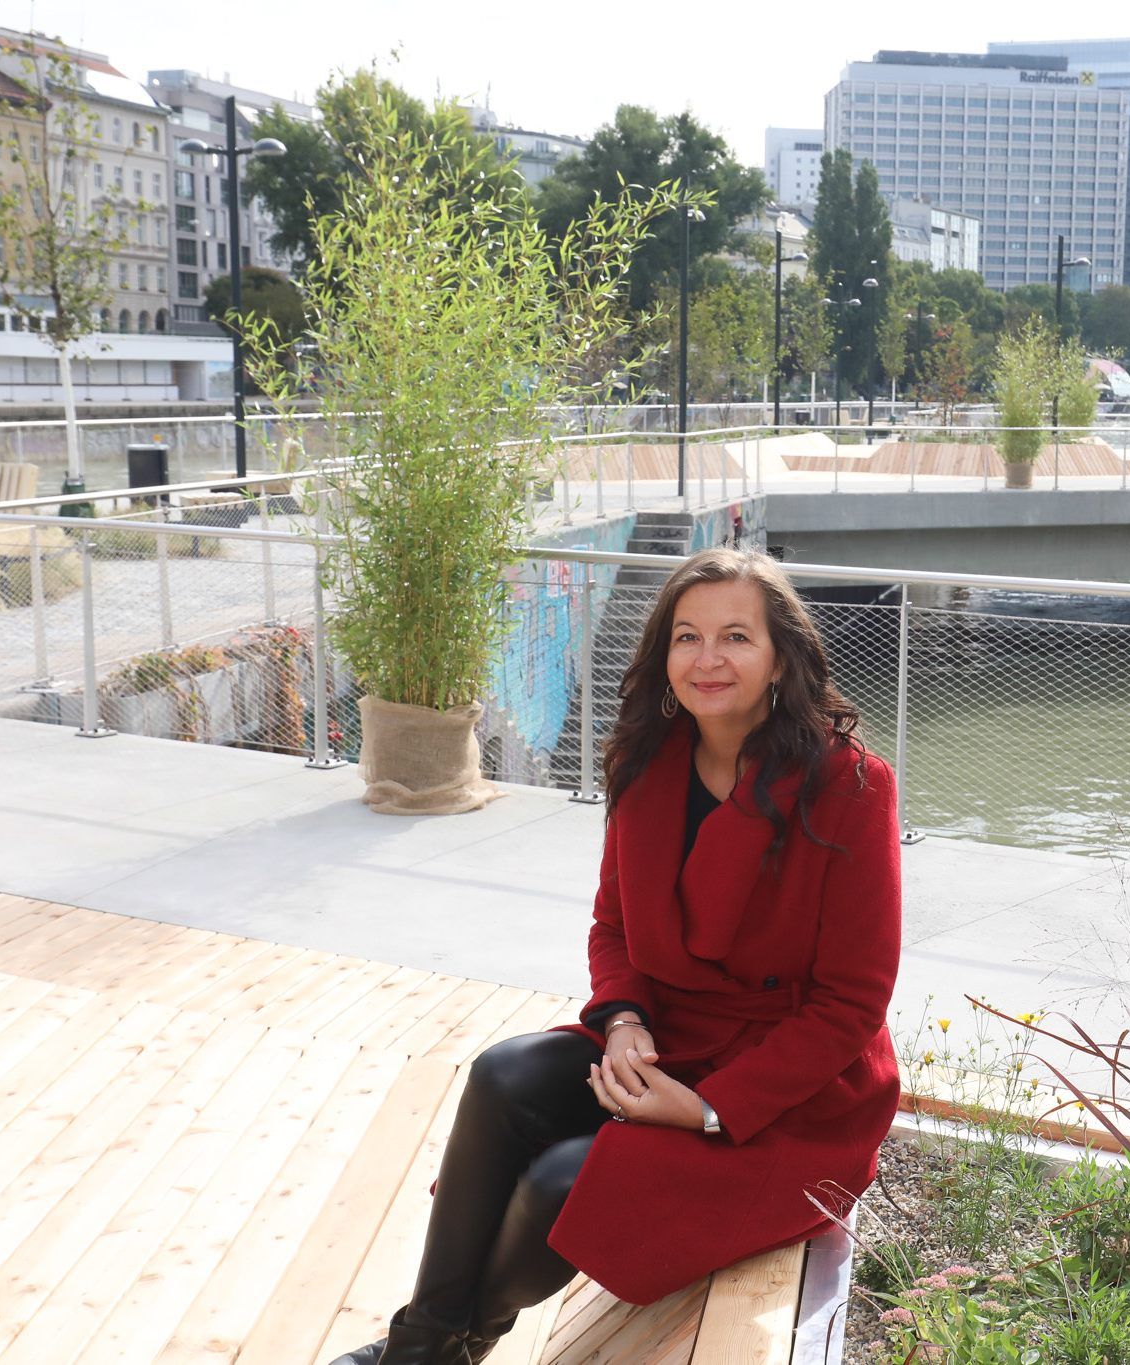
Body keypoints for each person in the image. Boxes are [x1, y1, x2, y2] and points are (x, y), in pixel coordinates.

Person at [329, 547, 903, 1364]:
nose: (708, 659)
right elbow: (614, 926)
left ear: (781, 657)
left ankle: (442, 1345)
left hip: (790, 1095)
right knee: (501, 1075)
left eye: (736, 636)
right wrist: (626, 1019)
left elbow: (851, 1005)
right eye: (687, 636)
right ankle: (423, 1346)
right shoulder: (646, 760)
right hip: (670, 1034)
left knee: (565, 1182)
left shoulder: (850, 788)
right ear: (662, 655)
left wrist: (705, 1109)